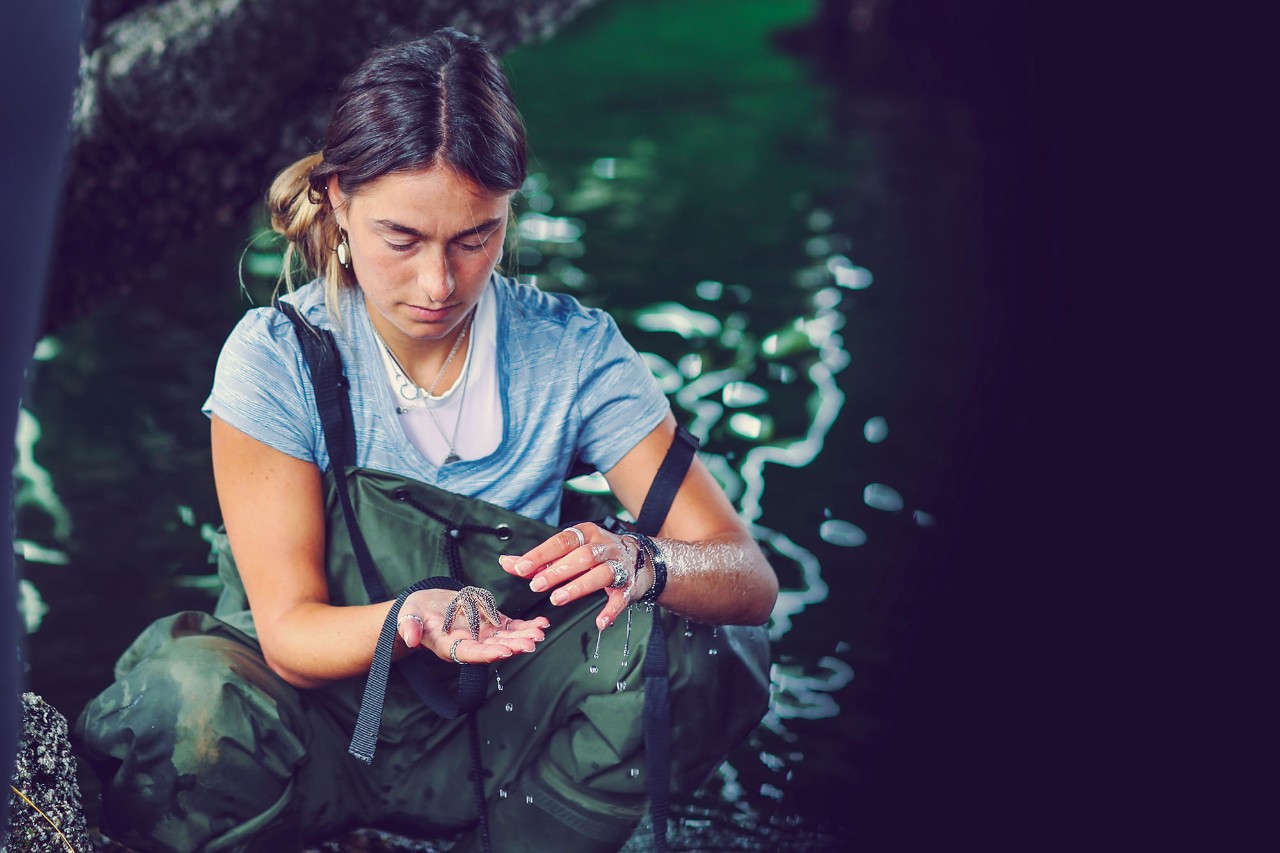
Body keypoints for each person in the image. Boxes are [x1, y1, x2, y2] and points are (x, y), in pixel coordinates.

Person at [76, 28, 776, 853]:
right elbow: (292, 634)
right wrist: (412, 615)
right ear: (337, 200)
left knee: (683, 634)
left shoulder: (576, 352)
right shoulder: (274, 358)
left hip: (501, 726)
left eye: (474, 238)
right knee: (180, 701)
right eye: (401, 240)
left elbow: (748, 577)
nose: (438, 285)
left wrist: (645, 561)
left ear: (509, 207)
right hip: (321, 721)